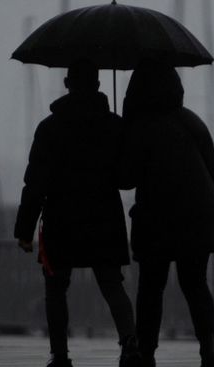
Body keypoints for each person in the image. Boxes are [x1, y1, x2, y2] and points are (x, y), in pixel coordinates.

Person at [14, 59, 138, 367]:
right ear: (98, 85)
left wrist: (24, 229)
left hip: (61, 219)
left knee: (55, 288)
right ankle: (130, 346)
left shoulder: (49, 127)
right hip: (103, 219)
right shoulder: (114, 125)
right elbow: (126, 180)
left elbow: (35, 182)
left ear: (67, 85)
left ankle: (59, 355)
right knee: (112, 285)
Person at [118, 59, 214, 367]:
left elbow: (125, 178)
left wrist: (122, 132)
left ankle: (147, 352)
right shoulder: (193, 122)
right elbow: (213, 177)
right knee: (195, 284)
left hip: (157, 222)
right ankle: (209, 349)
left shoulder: (142, 128)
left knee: (151, 287)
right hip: (199, 218)